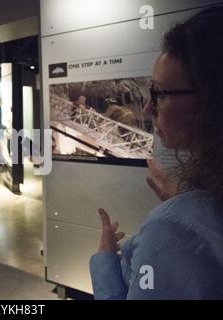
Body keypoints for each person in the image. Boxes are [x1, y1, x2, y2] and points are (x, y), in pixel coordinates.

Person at [89, 6, 223, 299]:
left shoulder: (172, 230)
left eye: (160, 94)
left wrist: (104, 263)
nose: (149, 109)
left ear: (211, 100)